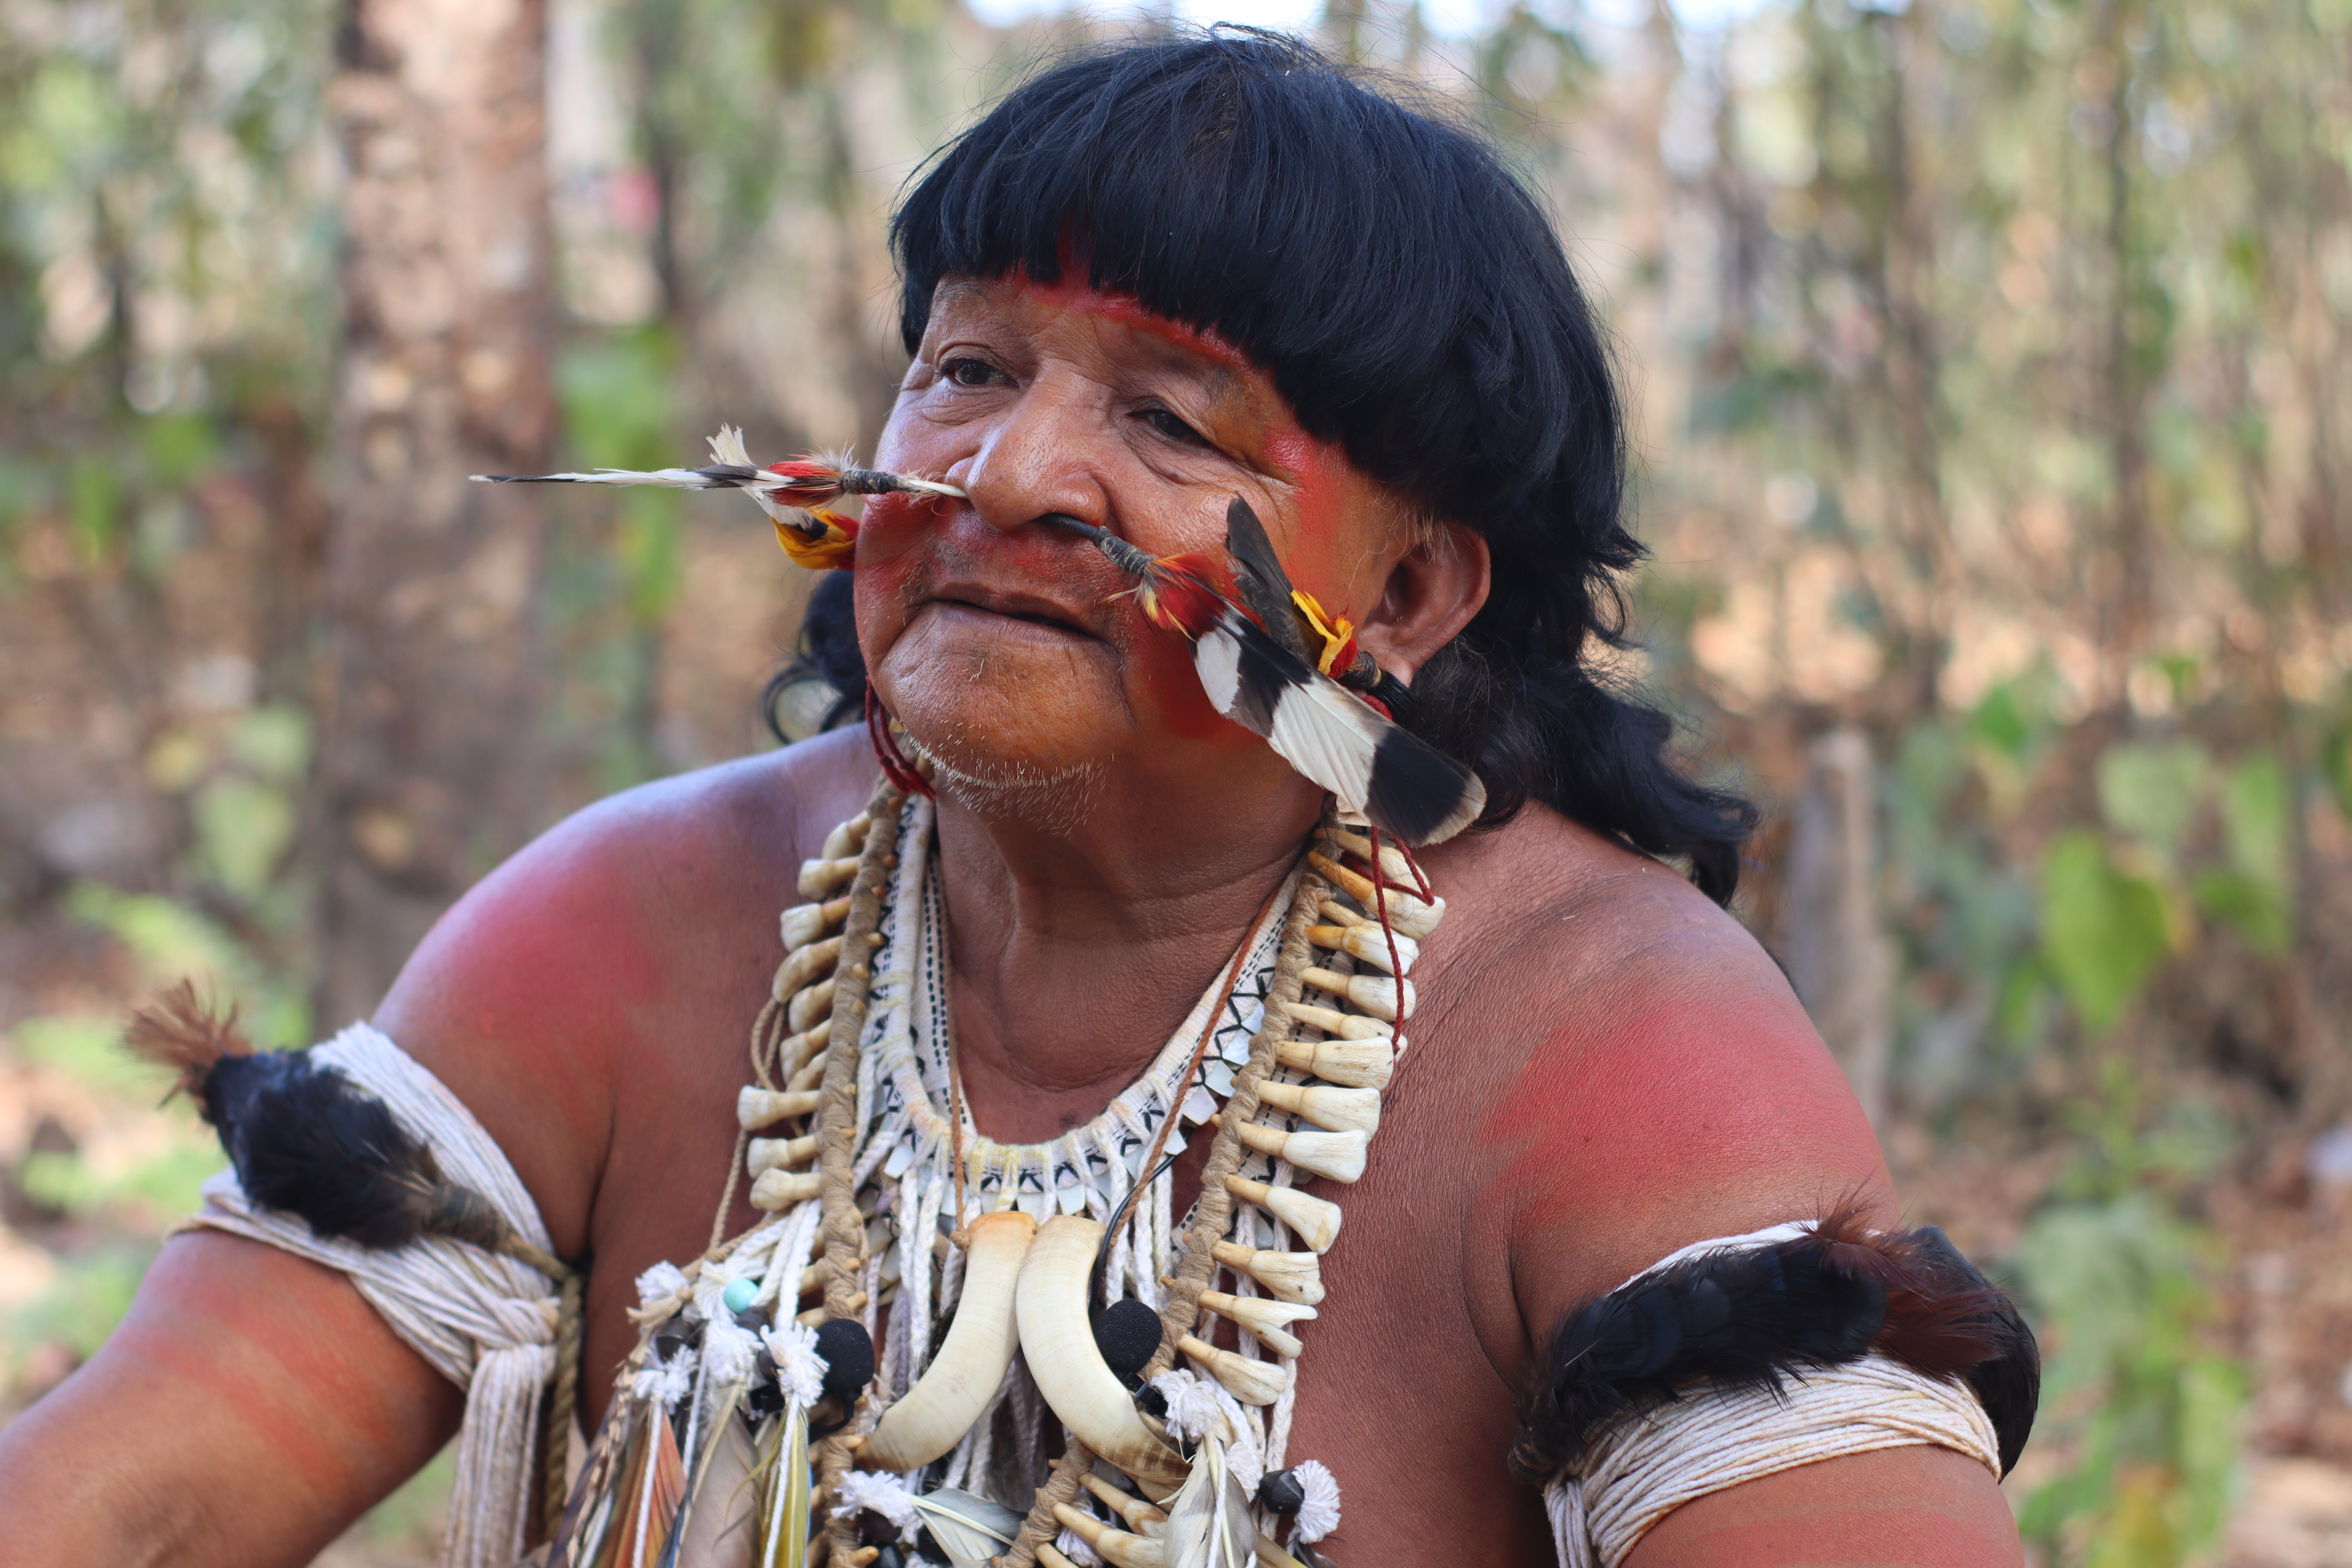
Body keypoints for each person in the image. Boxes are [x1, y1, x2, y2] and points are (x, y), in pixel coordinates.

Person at [0, 31, 2033, 1568]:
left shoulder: (1610, 1042)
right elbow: (135, 1502)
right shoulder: (633, 929)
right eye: (968, 371)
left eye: (1165, 417)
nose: (1011, 475)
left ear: (1406, 594)